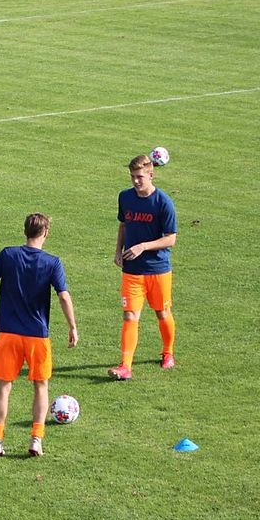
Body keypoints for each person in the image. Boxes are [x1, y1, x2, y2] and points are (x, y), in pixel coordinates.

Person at [0, 213, 78, 457]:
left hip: (9, 334)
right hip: (37, 336)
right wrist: (72, 326)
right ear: (45, 233)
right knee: (41, 387)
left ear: (25, 231)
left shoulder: (8, 255)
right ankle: (36, 439)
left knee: (3, 387)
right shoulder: (52, 262)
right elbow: (64, 296)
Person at [109, 154, 178, 380]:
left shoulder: (163, 202)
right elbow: (123, 225)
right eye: (132, 176)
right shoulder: (125, 197)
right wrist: (118, 251)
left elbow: (171, 238)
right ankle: (125, 366)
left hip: (158, 270)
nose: (136, 181)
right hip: (132, 270)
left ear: (151, 174)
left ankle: (168, 353)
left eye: (140, 176)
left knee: (162, 312)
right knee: (130, 316)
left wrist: (143, 246)